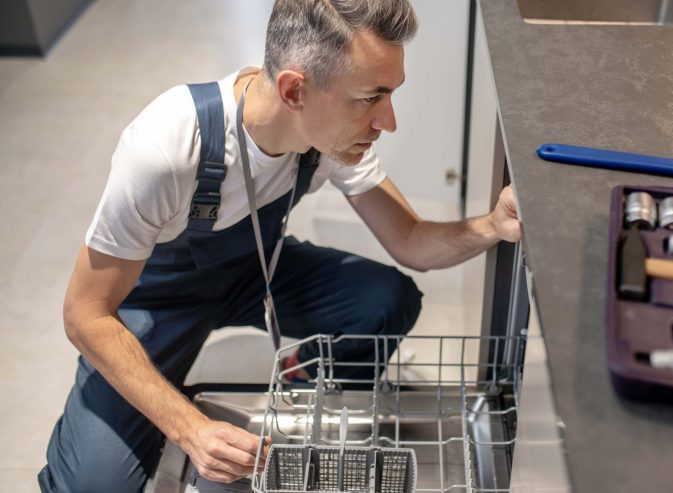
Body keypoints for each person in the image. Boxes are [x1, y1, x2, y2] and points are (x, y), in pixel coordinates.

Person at [38, 0, 521, 491]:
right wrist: (191, 429)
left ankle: (304, 384)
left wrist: (493, 226)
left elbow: (412, 241)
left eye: (391, 95)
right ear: (295, 90)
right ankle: (160, 388)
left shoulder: (330, 137)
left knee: (384, 299)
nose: (387, 121)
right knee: (91, 485)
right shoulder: (166, 149)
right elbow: (86, 313)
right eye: (370, 98)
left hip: (256, 269)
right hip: (158, 299)